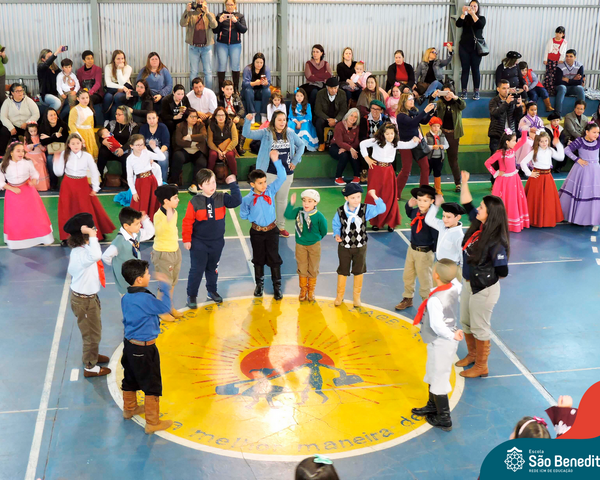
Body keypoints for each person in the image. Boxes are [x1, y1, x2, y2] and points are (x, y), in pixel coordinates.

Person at [456, 171, 509, 378]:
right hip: (469, 283)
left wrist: (484, 273)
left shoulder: (496, 240)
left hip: (484, 289)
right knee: (466, 321)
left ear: (490, 214)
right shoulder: (479, 225)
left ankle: (481, 366)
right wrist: (464, 183)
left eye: (482, 208)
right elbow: (467, 203)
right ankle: (472, 356)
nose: (477, 209)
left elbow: (503, 271)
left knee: (480, 327)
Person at [120, 259, 173, 434]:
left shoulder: (126, 297)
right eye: (147, 274)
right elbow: (165, 307)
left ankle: (129, 409)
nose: (149, 276)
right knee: (152, 385)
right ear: (139, 279)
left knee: (130, 378)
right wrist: (165, 285)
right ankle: (152, 422)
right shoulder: (145, 298)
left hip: (129, 345)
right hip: (144, 349)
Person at [411, 259, 463, 432]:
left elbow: (437, 326)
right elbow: (455, 278)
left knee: (439, 376)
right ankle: (432, 405)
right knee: (432, 371)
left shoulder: (435, 300)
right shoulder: (454, 287)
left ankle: (444, 418)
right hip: (440, 341)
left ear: (436, 275)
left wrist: (451, 335)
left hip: (442, 341)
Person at [182, 169, 241, 307]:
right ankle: (192, 295)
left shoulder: (222, 197)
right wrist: (187, 239)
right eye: (208, 183)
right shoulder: (194, 202)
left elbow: (237, 201)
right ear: (200, 186)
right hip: (199, 243)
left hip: (217, 242)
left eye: (213, 182)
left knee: (213, 268)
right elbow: (187, 221)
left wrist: (233, 184)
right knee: (197, 270)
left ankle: (212, 291)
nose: (212, 186)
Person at [243, 111, 305, 238]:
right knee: (265, 199)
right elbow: (247, 134)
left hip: (286, 173)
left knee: (282, 200)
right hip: (269, 173)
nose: (282, 122)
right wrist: (248, 121)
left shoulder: (290, 133)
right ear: (273, 121)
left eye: (284, 120)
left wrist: (295, 161)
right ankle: (264, 224)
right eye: (279, 120)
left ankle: (281, 227)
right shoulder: (266, 132)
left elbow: (301, 145)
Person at [63, 213, 111, 378]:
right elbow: (96, 255)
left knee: (95, 330)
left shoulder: (83, 250)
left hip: (89, 298)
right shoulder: (82, 254)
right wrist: (92, 235)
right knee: (91, 334)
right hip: (84, 301)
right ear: (85, 234)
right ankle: (90, 366)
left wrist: (90, 236)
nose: (95, 231)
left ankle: (93, 354)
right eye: (92, 229)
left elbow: (95, 254)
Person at [54, 133, 115, 242]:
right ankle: (66, 237)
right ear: (68, 145)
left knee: (86, 209)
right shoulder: (64, 154)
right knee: (66, 210)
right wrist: (56, 160)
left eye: (78, 143)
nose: (75, 145)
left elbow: (94, 171)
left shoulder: (87, 156)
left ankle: (94, 233)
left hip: (82, 184)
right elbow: (59, 172)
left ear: (82, 144)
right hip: (67, 184)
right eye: (73, 143)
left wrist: (95, 188)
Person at [332, 184, 386, 307]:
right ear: (346, 198)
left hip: (360, 246)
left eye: (358, 197)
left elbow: (382, 208)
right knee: (343, 270)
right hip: (344, 246)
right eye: (352, 198)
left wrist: (374, 196)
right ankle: (339, 296)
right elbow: (336, 224)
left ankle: (357, 297)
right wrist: (336, 234)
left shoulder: (365, 209)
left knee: (359, 270)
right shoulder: (340, 211)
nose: (356, 200)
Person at [240, 160, 287, 299]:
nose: (264, 185)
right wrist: (254, 218)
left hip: (272, 231)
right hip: (257, 233)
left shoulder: (271, 190)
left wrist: (276, 161)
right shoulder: (247, 199)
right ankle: (259, 285)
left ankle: (277, 287)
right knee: (258, 258)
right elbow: (243, 214)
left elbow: (282, 176)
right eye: (260, 183)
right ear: (252, 184)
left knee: (274, 258)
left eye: (265, 181)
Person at [360, 123, 419, 232]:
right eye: (387, 134)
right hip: (375, 170)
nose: (390, 136)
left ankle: (390, 222)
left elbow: (408, 145)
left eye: (392, 133)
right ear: (382, 134)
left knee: (389, 196)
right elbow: (362, 144)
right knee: (374, 195)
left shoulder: (395, 143)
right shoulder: (376, 141)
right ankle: (376, 222)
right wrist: (367, 158)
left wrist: (415, 141)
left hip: (388, 171)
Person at [0, 142, 54, 249]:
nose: (21, 153)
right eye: (18, 151)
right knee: (15, 218)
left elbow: (34, 174)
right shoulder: (3, 165)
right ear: (11, 153)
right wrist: (12, 189)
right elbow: (1, 182)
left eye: (22, 151)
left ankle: (42, 238)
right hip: (12, 194)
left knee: (35, 215)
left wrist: (33, 181)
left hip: (28, 192)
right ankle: (16, 240)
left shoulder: (27, 163)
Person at [395, 185, 438, 310]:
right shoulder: (416, 212)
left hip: (424, 252)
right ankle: (408, 298)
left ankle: (427, 302)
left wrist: (431, 251)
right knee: (408, 275)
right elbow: (409, 213)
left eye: (425, 200)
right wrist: (408, 205)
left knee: (425, 279)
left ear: (432, 201)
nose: (421, 203)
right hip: (412, 249)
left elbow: (436, 237)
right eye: (419, 200)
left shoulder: (431, 219)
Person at [284, 190, 328, 302]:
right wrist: (291, 204)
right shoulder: (299, 212)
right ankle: (303, 290)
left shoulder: (319, 216)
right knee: (302, 267)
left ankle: (311, 290)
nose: (306, 203)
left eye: (310, 201)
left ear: (315, 202)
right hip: (300, 245)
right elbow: (287, 215)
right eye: (304, 201)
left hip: (314, 245)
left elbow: (324, 230)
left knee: (313, 267)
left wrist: (316, 239)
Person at [101, 206, 156, 296]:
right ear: (126, 226)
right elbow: (105, 256)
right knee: (128, 298)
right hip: (125, 280)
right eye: (137, 224)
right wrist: (117, 265)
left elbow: (150, 233)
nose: (140, 225)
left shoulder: (136, 234)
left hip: (136, 275)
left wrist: (145, 219)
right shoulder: (118, 243)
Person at [484, 129, 531, 233]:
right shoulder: (499, 153)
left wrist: (525, 129)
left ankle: (513, 221)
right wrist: (495, 173)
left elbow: (523, 140)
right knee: (504, 200)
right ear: (507, 142)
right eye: (513, 140)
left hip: (514, 179)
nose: (515, 142)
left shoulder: (513, 149)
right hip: (504, 181)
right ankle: (502, 223)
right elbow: (487, 163)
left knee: (513, 200)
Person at [152, 184, 185, 321]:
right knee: (164, 285)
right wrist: (168, 218)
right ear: (166, 201)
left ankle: (169, 306)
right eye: (175, 197)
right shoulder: (158, 216)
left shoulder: (174, 212)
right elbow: (159, 232)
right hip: (163, 253)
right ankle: (162, 310)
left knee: (172, 283)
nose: (178, 200)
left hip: (175, 250)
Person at [520, 131, 565, 228]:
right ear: (538, 142)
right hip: (537, 178)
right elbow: (523, 162)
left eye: (546, 141)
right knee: (536, 200)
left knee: (548, 200)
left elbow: (561, 157)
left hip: (548, 177)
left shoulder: (550, 150)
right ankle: (535, 220)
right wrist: (529, 173)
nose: (544, 143)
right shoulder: (534, 152)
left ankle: (546, 220)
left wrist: (558, 145)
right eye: (541, 141)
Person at [559, 122, 600, 226]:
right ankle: (578, 218)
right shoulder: (580, 141)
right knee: (582, 192)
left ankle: (592, 218)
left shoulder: (598, 140)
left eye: (598, 132)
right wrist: (577, 159)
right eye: (594, 132)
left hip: (595, 170)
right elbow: (566, 150)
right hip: (582, 170)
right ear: (587, 132)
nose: (596, 135)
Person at [395, 93, 436, 199]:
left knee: (425, 167)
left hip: (416, 143)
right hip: (405, 145)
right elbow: (412, 123)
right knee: (406, 170)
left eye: (412, 99)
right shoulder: (400, 115)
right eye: (409, 99)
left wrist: (430, 113)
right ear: (403, 102)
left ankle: (424, 191)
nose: (412, 101)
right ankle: (396, 192)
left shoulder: (414, 112)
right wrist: (425, 111)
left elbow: (423, 121)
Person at [434, 83, 466, 192]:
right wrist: (433, 96)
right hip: (442, 133)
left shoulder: (457, 103)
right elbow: (431, 107)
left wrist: (455, 97)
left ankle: (458, 183)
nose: (447, 96)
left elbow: (463, 105)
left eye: (449, 93)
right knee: (437, 158)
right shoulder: (440, 103)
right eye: (445, 93)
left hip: (453, 134)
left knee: (453, 160)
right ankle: (436, 185)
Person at [127, 134, 165, 221]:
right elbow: (129, 177)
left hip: (151, 180)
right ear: (131, 146)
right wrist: (134, 192)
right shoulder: (130, 159)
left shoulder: (147, 153)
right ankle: (141, 223)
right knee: (142, 203)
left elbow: (162, 157)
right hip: (140, 183)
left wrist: (155, 148)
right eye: (137, 145)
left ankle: (153, 221)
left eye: (142, 144)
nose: (140, 147)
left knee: (153, 202)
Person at [181, 1, 218, 91]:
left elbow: (214, 25)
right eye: (198, 2)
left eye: (202, 2)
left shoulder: (210, 14)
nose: (200, 3)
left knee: (208, 71)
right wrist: (187, 11)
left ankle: (209, 93)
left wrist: (207, 13)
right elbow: (182, 23)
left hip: (206, 47)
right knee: (193, 71)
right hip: (193, 47)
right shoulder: (191, 14)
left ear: (205, 3)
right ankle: (192, 92)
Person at [97, 105, 139, 183]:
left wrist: (122, 149)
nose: (116, 116)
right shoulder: (112, 123)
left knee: (127, 157)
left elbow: (132, 141)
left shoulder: (133, 126)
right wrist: (103, 141)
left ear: (126, 115)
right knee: (102, 151)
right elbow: (101, 135)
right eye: (116, 114)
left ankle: (125, 179)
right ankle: (99, 177)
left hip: (124, 150)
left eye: (119, 114)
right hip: (111, 150)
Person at [425, 199, 466, 278]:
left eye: (448, 217)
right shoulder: (442, 225)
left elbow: (462, 255)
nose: (444, 219)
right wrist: (435, 206)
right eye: (443, 216)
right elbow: (429, 220)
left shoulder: (459, 236)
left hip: (451, 269)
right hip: (438, 264)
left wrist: (459, 270)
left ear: (458, 217)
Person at [455, 0, 486, 100]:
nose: (472, 7)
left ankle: (476, 91)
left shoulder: (481, 18)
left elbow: (480, 25)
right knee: (465, 69)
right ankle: (464, 91)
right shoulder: (466, 18)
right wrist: (464, 13)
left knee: (475, 69)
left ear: (478, 8)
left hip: (476, 48)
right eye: (471, 6)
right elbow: (458, 24)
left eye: (474, 6)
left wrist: (473, 14)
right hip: (464, 47)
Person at [171, 108, 208, 190]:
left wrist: (189, 137)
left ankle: (194, 184)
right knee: (177, 156)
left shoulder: (200, 125)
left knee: (202, 162)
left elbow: (203, 136)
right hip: (184, 150)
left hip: (197, 150)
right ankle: (174, 182)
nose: (194, 118)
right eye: (192, 116)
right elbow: (179, 141)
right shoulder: (180, 126)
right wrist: (193, 143)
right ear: (186, 118)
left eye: (196, 116)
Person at [0, 83, 40, 154]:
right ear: (12, 93)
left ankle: (32, 153)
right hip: (13, 126)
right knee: (4, 131)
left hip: (26, 125)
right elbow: (3, 117)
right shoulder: (7, 102)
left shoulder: (28, 101)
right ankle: (1, 154)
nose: (20, 93)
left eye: (21, 90)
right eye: (17, 91)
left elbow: (36, 114)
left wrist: (27, 123)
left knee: (33, 131)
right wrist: (11, 127)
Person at [488, 80, 523, 156]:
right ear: (498, 89)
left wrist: (519, 107)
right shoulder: (493, 101)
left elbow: (519, 118)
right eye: (504, 88)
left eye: (508, 88)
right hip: (497, 135)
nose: (506, 91)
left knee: (510, 158)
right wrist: (506, 103)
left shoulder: (512, 100)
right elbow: (496, 114)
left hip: (510, 136)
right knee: (495, 158)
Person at [313, 77, 348, 152]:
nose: (333, 90)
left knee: (344, 122)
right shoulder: (320, 93)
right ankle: (321, 143)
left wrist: (336, 120)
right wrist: (328, 119)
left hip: (337, 118)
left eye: (335, 88)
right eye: (331, 88)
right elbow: (317, 110)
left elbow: (343, 110)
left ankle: (339, 143)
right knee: (318, 122)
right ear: (327, 88)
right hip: (325, 118)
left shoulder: (342, 94)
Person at [39, 107, 69, 190]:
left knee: (67, 159)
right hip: (51, 151)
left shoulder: (62, 125)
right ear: (47, 117)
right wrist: (54, 137)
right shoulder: (43, 126)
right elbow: (43, 142)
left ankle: (66, 183)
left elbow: (66, 139)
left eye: (55, 114)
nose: (53, 117)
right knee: (49, 159)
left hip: (62, 149)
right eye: (51, 115)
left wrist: (49, 138)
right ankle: (53, 183)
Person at [331, 108, 361, 185]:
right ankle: (338, 178)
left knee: (354, 154)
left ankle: (357, 176)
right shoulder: (340, 125)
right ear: (347, 115)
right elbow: (339, 142)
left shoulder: (356, 127)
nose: (353, 118)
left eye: (355, 117)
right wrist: (350, 148)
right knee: (344, 155)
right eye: (351, 115)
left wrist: (349, 149)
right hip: (336, 146)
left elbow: (356, 142)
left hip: (349, 147)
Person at [139, 110, 170, 184]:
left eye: (153, 118)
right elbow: (141, 143)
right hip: (146, 151)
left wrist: (157, 154)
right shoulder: (143, 128)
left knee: (164, 156)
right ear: (146, 120)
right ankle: (142, 183)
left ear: (157, 118)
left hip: (160, 151)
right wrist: (148, 155)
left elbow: (166, 144)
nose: (151, 120)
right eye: (149, 118)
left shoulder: (163, 127)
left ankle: (163, 182)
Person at [207, 106, 238, 176]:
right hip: (216, 147)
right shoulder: (211, 125)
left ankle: (234, 176)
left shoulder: (231, 124)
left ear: (226, 116)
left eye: (222, 115)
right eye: (218, 115)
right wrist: (218, 151)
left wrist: (225, 151)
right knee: (213, 154)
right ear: (215, 116)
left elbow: (235, 140)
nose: (221, 117)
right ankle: (209, 176)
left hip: (228, 147)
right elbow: (209, 142)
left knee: (230, 155)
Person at [241, 52, 271, 124]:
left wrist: (266, 83)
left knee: (267, 91)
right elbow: (244, 84)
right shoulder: (248, 69)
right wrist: (254, 83)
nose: (259, 64)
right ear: (253, 62)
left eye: (261, 63)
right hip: (249, 91)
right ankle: (251, 113)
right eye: (257, 62)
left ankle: (264, 114)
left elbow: (268, 84)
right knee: (248, 91)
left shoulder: (266, 69)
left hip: (260, 92)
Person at [68, 89, 98, 159]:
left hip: (89, 134)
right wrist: (79, 137)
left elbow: (92, 125)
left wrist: (92, 136)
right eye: (83, 98)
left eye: (87, 98)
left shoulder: (90, 109)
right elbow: (71, 124)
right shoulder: (75, 110)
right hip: (80, 134)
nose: (85, 100)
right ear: (78, 99)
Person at [554, 49, 585, 116]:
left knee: (580, 88)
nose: (568, 58)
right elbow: (558, 82)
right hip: (562, 88)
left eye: (571, 56)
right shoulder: (560, 66)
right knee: (562, 87)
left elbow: (579, 82)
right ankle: (557, 114)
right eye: (567, 56)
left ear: (575, 57)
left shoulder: (579, 66)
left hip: (573, 88)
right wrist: (574, 80)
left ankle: (580, 113)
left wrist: (567, 80)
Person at [218, 79, 246, 155]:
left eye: (231, 89)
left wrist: (238, 116)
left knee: (244, 124)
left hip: (234, 116)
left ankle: (240, 146)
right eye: (227, 89)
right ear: (222, 89)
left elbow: (242, 109)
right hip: (224, 116)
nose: (229, 91)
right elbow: (218, 110)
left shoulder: (236, 97)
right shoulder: (219, 98)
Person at [37, 47, 67, 114]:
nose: (51, 58)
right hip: (45, 95)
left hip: (56, 94)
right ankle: (46, 116)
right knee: (57, 102)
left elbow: (63, 75)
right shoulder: (41, 67)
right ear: (43, 59)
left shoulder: (55, 68)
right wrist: (56, 53)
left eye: (51, 56)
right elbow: (46, 64)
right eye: (49, 57)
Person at [104, 50, 132, 120]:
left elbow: (122, 82)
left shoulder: (128, 68)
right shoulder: (108, 67)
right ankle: (106, 120)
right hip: (112, 87)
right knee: (107, 97)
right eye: (118, 59)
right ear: (114, 59)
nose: (121, 61)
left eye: (122, 58)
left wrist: (119, 69)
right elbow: (108, 83)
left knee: (118, 97)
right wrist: (121, 87)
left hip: (126, 87)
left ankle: (119, 119)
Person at [289, 87, 318, 152]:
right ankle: (292, 145)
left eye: (301, 96)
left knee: (305, 125)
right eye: (297, 96)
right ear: (295, 97)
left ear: (304, 97)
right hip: (295, 120)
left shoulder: (308, 105)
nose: (299, 98)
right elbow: (291, 115)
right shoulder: (292, 105)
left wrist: (300, 122)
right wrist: (297, 122)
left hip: (304, 120)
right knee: (290, 124)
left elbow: (309, 116)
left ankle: (304, 145)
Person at [425, 116, 449, 195]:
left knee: (437, 173)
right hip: (429, 158)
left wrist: (443, 146)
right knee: (426, 173)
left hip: (439, 158)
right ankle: (424, 188)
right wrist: (432, 147)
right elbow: (424, 146)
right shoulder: (427, 136)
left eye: (438, 126)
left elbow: (447, 145)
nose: (436, 128)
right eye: (434, 126)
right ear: (430, 126)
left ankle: (438, 189)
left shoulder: (442, 135)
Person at [24, 121, 50, 191]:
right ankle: (32, 186)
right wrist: (30, 147)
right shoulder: (26, 138)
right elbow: (25, 148)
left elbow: (44, 148)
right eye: (31, 131)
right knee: (31, 165)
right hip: (30, 155)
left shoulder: (40, 137)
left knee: (41, 165)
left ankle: (41, 186)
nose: (33, 133)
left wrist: (40, 146)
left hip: (39, 155)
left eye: (35, 131)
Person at [543, 26, 567, 97]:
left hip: (558, 62)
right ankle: (547, 90)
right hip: (550, 60)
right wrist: (545, 59)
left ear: (563, 34)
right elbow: (547, 50)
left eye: (560, 33)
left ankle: (553, 92)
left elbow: (563, 52)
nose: (558, 34)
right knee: (548, 75)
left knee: (555, 76)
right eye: (557, 33)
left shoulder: (564, 42)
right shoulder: (551, 40)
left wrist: (561, 59)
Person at [0, 43, 7, 109]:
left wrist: (4, 56)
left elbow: (5, 61)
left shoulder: (0, 47)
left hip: (1, 75)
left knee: (1, 95)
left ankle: (2, 111)